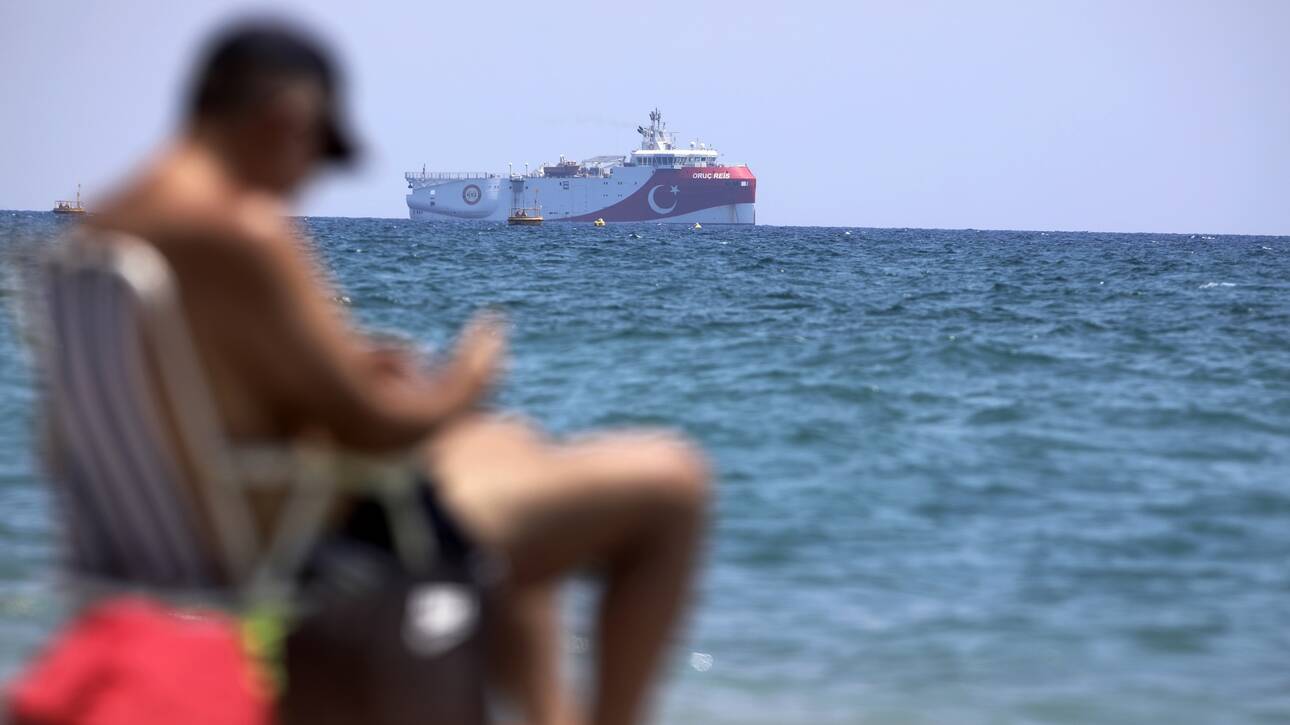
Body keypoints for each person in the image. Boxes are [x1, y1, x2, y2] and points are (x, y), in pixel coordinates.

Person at [85, 21, 708, 725]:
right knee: (672, 480)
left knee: (510, 444)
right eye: (317, 146)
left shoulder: (107, 226)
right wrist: (463, 380)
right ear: (283, 118)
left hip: (199, 515)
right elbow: (373, 426)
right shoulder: (241, 230)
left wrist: (344, 368)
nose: (310, 174)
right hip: (296, 531)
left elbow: (220, 387)